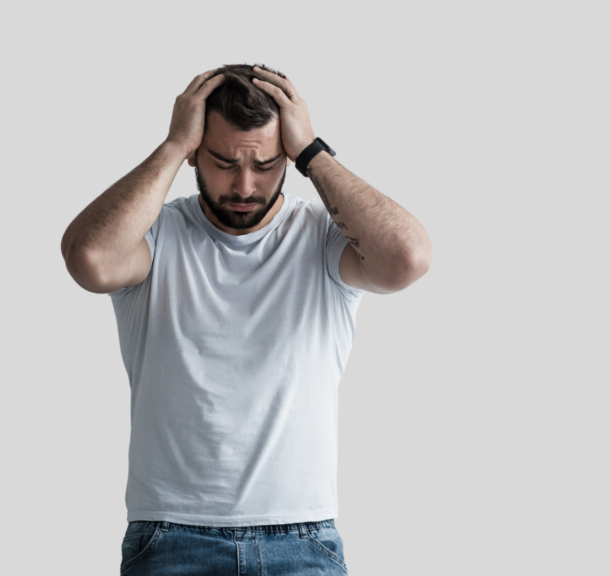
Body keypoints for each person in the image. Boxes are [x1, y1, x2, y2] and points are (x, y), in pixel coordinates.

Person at [60, 64, 431, 575]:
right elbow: (89, 260)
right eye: (223, 162)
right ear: (195, 151)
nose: (244, 184)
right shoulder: (156, 236)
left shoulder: (323, 238)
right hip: (171, 536)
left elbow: (407, 258)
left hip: (302, 539)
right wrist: (171, 146)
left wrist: (312, 153)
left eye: (266, 164)